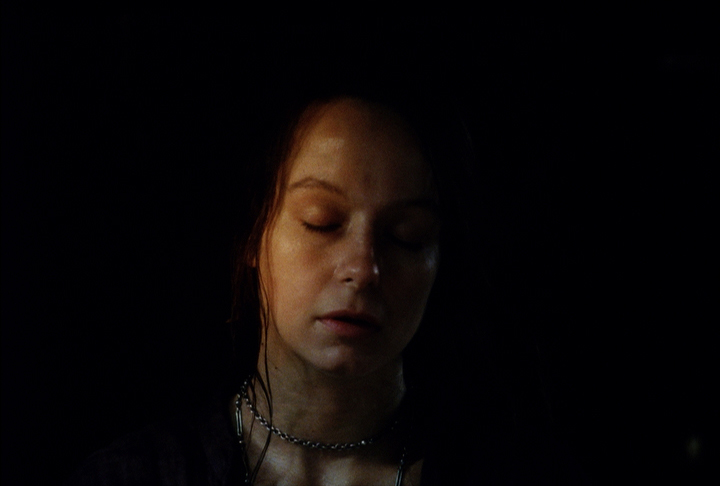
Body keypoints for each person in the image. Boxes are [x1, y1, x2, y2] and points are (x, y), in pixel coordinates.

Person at [67, 78, 585, 485]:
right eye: (322, 222)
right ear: (252, 236)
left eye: (406, 237)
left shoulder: (519, 473)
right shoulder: (135, 475)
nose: (363, 268)